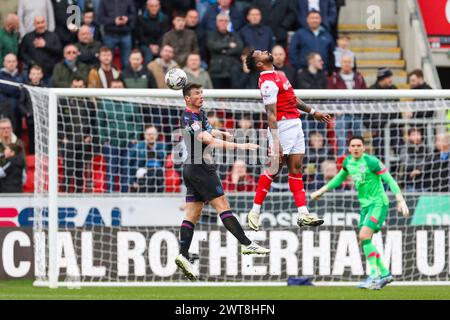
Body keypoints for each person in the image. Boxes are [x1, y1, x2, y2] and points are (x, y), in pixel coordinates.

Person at [175, 83, 270, 281]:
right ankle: (246, 244)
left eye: (201, 92)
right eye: (197, 94)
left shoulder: (199, 114)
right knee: (223, 206)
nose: (201, 95)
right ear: (187, 98)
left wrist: (223, 133)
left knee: (193, 212)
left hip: (191, 168)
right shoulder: (189, 117)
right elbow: (208, 140)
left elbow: (210, 132)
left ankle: (183, 255)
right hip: (201, 167)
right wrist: (240, 145)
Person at [245, 49, 331, 230]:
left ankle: (303, 214)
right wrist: (276, 141)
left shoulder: (278, 75)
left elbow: (292, 98)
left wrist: (313, 112)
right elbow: (270, 114)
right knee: (274, 168)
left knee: (297, 168)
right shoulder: (267, 83)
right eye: (260, 53)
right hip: (282, 127)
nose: (265, 51)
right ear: (259, 64)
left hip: (295, 124)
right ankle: (254, 211)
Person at [311, 136, 410, 290]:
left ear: (364, 148)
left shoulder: (371, 162)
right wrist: (321, 191)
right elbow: (339, 179)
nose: (356, 148)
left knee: (363, 236)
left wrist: (400, 200)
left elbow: (390, 180)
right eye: (353, 146)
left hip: (378, 204)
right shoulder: (348, 162)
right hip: (365, 207)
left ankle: (374, 275)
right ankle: (384, 273)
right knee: (365, 240)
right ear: (349, 149)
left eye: (359, 145)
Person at [328, 54, 366, 156]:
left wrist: (361, 108)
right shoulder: (334, 78)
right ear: (340, 63)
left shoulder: (359, 77)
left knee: (359, 138)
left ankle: (360, 160)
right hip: (341, 113)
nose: (347, 64)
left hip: (356, 112)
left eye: (349, 62)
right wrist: (335, 110)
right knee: (341, 140)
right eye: (344, 62)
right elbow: (329, 96)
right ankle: (342, 162)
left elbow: (365, 93)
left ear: (352, 64)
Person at [19, 16, 62, 83]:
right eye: (38, 23)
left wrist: (45, 45)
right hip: (33, 75)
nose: (40, 25)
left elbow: (59, 51)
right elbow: (21, 53)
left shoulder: (53, 36)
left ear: (45, 23)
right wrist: (31, 62)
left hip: (50, 73)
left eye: (42, 22)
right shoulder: (27, 37)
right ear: (34, 24)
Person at [206, 13, 243, 89]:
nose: (223, 22)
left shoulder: (235, 35)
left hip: (232, 71)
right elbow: (211, 46)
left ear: (229, 22)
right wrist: (229, 45)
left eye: (226, 21)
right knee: (217, 96)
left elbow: (239, 48)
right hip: (216, 72)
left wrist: (222, 50)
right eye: (221, 20)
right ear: (216, 22)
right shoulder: (211, 35)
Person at [97, 0, 136, 69]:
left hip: (126, 34)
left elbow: (133, 15)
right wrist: (114, 21)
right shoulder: (104, 1)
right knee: (107, 62)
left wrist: (127, 19)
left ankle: (125, 78)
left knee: (126, 63)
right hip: (110, 35)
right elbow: (100, 18)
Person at [128, 125, 166, 193]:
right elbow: (129, 165)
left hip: (158, 179)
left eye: (153, 134)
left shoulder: (162, 147)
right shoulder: (137, 147)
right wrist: (132, 182)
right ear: (145, 135)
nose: (151, 136)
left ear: (157, 135)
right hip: (142, 179)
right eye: (149, 134)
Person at [18, 65, 46, 154]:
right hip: (31, 119)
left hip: (43, 119)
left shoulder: (46, 88)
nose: (36, 76)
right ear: (29, 75)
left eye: (38, 74)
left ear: (41, 75)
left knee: (44, 138)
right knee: (32, 138)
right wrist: (27, 113)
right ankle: (33, 156)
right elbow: (20, 103)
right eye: (33, 74)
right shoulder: (26, 88)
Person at [135, 0, 171, 65]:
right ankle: (147, 74)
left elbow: (164, 34)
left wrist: (157, 45)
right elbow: (140, 36)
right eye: (151, 6)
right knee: (148, 55)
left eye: (156, 6)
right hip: (145, 44)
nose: (154, 8)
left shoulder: (164, 18)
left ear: (159, 7)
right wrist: (150, 46)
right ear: (147, 7)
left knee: (164, 54)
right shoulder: (141, 18)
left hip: (160, 44)